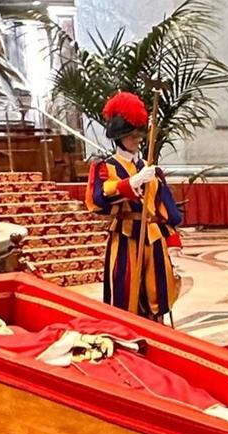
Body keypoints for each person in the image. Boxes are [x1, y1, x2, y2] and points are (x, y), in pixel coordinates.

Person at [85, 91, 183, 322]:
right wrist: (132, 183)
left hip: (153, 239)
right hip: (126, 237)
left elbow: (164, 208)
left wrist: (172, 241)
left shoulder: (151, 169)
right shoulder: (104, 167)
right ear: (119, 137)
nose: (137, 139)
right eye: (131, 135)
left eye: (138, 134)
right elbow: (98, 199)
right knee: (125, 291)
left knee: (158, 293)